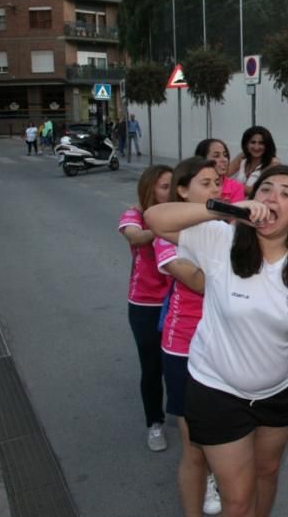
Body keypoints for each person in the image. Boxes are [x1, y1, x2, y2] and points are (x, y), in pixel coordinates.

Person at [144, 165, 288, 516]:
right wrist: (225, 209)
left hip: (280, 391)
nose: (271, 197)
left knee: (267, 474)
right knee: (238, 499)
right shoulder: (219, 239)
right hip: (218, 391)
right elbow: (155, 218)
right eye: (265, 189)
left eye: (285, 193)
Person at [154, 158, 223, 516]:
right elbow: (198, 280)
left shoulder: (222, 228)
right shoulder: (169, 234)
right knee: (193, 445)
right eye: (206, 183)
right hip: (183, 347)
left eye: (218, 183)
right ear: (183, 190)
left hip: (221, 344)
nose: (215, 190)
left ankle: (217, 475)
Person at [118, 164, 174, 452]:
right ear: (151, 187)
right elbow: (135, 236)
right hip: (145, 304)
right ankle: (155, 423)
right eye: (164, 186)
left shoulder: (180, 213)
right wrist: (163, 224)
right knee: (152, 367)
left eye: (173, 185)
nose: (170, 190)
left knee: (179, 365)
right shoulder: (135, 214)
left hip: (177, 300)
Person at [227, 126, 280, 190]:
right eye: (253, 142)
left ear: (267, 146)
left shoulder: (273, 164)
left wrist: (232, 185)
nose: (256, 147)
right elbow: (223, 176)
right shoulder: (242, 157)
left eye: (261, 143)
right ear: (246, 144)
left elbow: (257, 190)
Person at [195, 138, 245, 204]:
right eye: (216, 156)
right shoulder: (194, 184)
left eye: (225, 155)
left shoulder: (236, 187)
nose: (224, 159)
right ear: (202, 159)